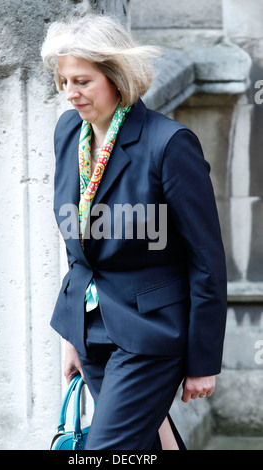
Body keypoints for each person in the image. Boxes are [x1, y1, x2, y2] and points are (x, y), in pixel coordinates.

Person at [41, 13, 227, 451]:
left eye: (82, 81)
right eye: (63, 81)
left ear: (117, 77)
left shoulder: (169, 144)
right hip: (92, 329)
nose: (70, 94)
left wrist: (203, 362)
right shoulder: (69, 132)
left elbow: (206, 260)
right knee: (145, 447)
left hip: (149, 333)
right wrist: (73, 334)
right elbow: (78, 241)